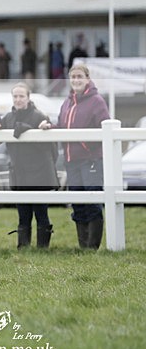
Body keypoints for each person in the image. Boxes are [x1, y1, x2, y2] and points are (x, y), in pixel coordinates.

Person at [39, 64, 110, 249]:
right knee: (78, 202)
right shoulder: (67, 102)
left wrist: (86, 145)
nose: (76, 80)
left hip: (91, 160)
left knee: (92, 202)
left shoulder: (97, 101)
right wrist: (50, 127)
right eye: (73, 77)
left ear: (87, 79)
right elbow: (63, 127)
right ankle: (83, 246)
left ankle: (92, 248)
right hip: (72, 161)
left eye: (80, 76)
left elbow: (105, 129)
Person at [0, 83, 59, 249]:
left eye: (22, 96)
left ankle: (43, 249)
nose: (18, 99)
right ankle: (23, 248)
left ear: (28, 97)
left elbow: (51, 149)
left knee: (41, 213)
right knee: (23, 214)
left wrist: (28, 131)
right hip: (19, 173)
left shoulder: (39, 116)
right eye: (15, 96)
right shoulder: (8, 118)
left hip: (39, 173)